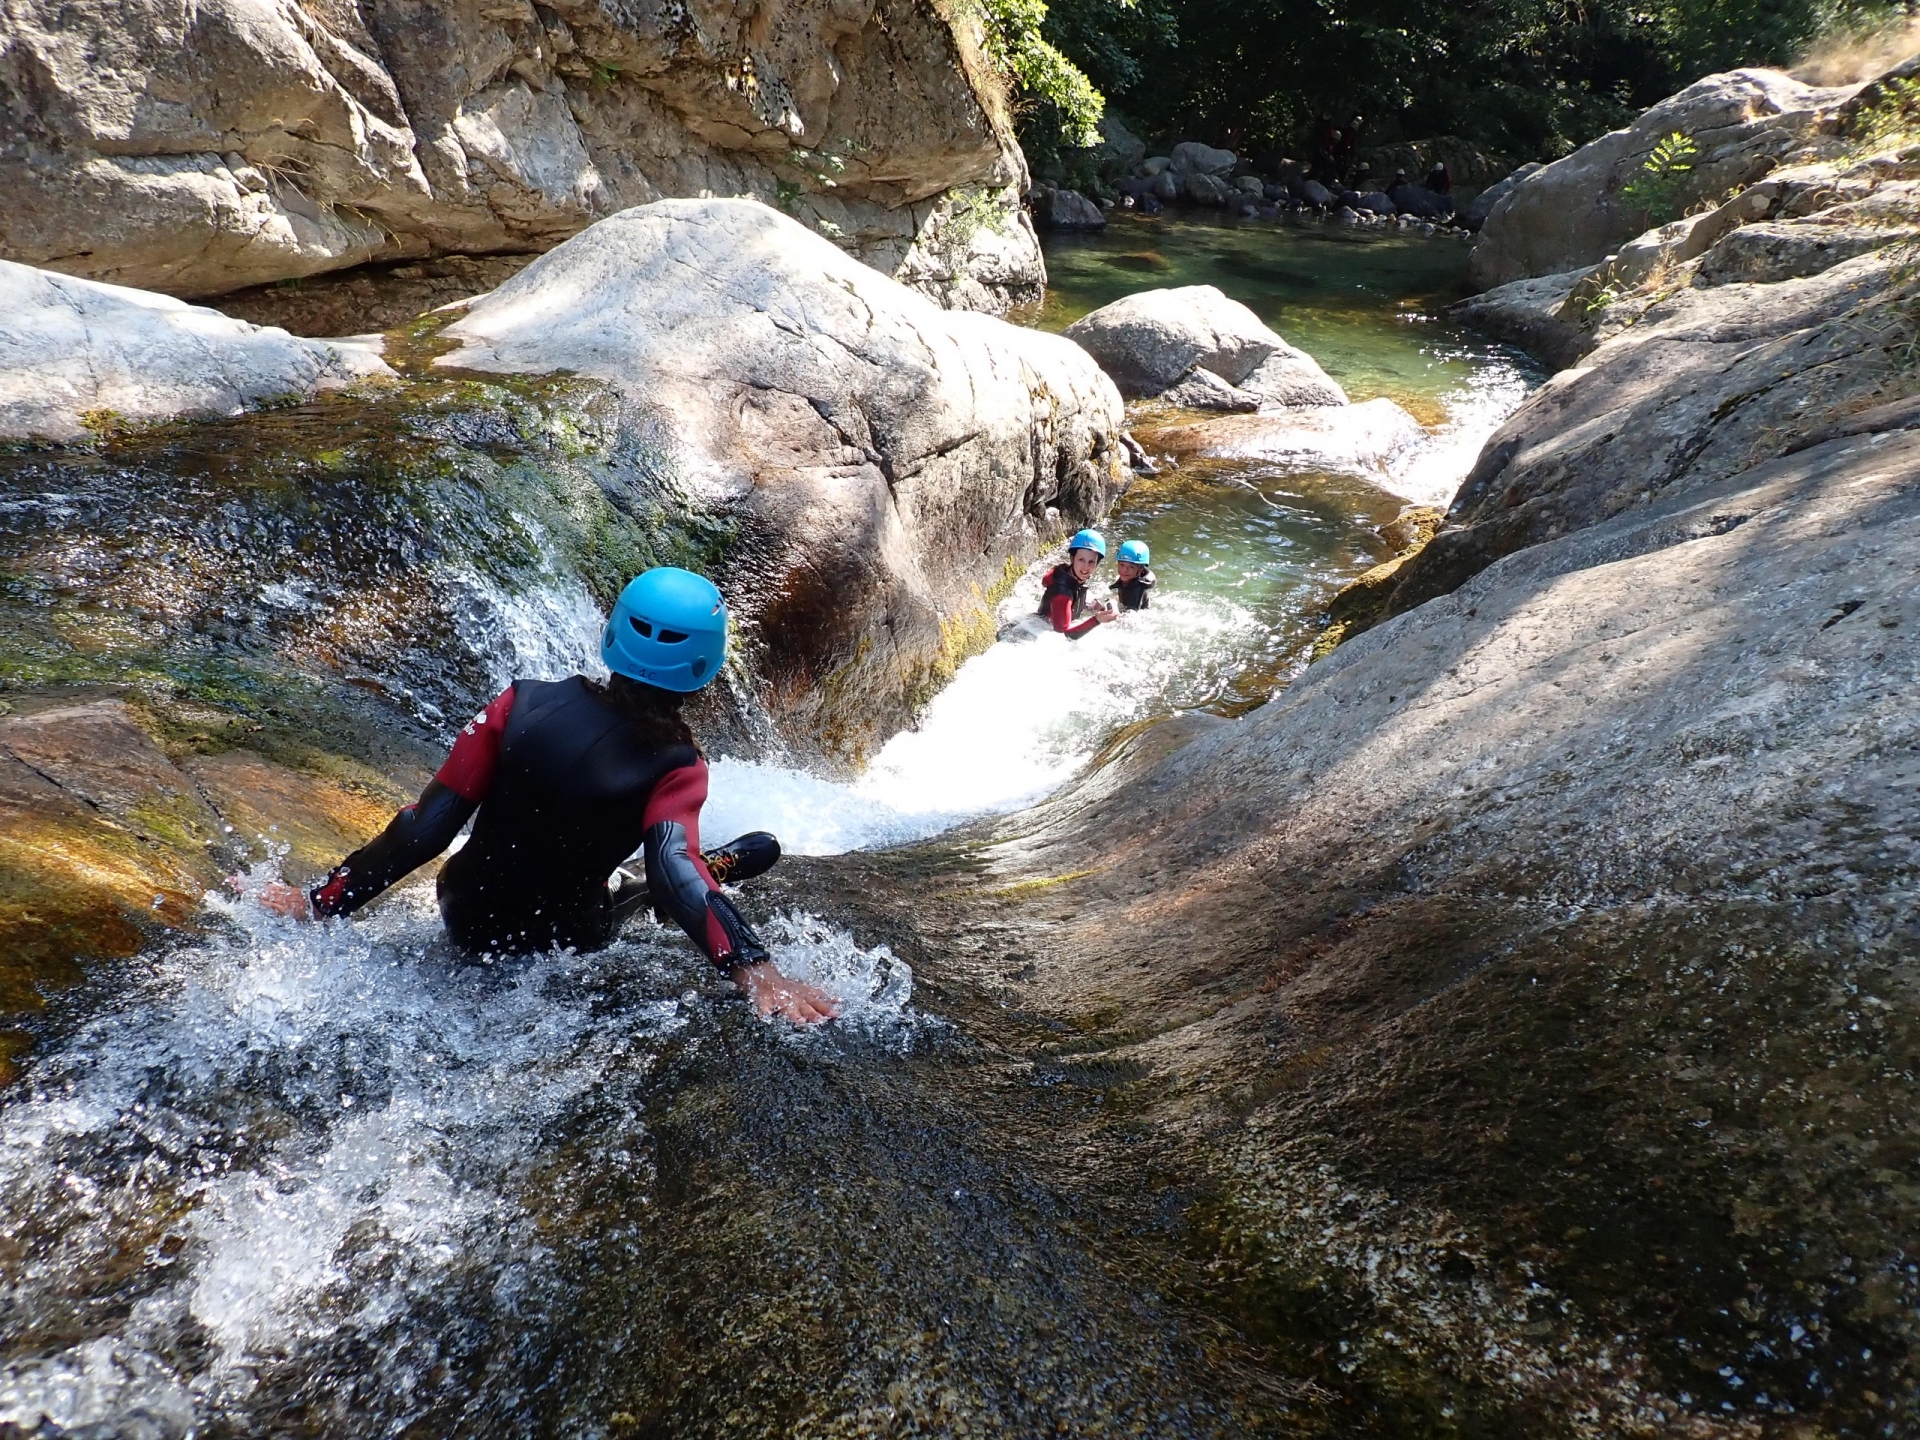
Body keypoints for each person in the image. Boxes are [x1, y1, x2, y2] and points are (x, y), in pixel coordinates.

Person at [259, 567, 839, 1025]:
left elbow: (425, 827)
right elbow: (673, 869)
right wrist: (758, 971)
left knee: (643, 878)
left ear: (613, 635)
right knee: (652, 890)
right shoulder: (679, 768)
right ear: (705, 666)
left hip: (462, 910)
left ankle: (662, 883)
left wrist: (318, 903)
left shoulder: (519, 703)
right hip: (563, 935)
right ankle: (678, 883)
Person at [1036, 529, 1117, 637]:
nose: (1085, 567)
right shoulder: (1062, 594)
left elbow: (1080, 596)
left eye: (1091, 562)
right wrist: (1096, 620)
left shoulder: (1070, 575)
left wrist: (1099, 608)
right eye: (1081, 560)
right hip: (1045, 634)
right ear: (1072, 558)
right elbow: (1063, 635)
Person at [1110, 539, 1157, 611]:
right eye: (1122, 565)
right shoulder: (1129, 578)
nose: (1124, 570)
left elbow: (1130, 616)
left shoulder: (1136, 589)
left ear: (1141, 569)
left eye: (1131, 567)